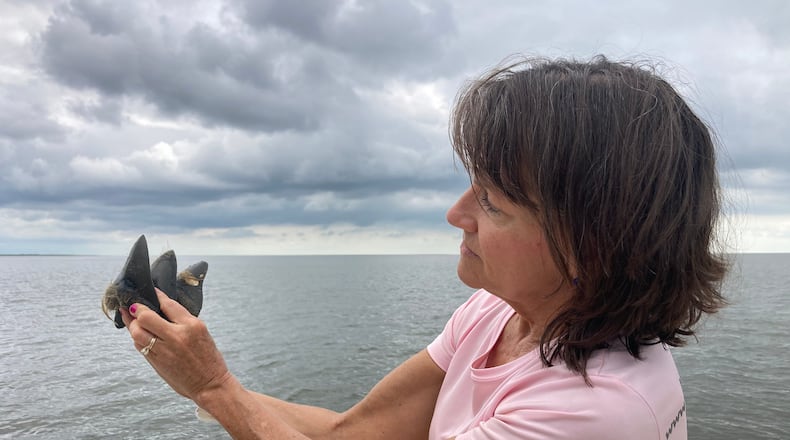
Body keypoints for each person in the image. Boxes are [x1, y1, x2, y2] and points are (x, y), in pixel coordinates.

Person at [121, 55, 728, 439]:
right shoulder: (500, 312)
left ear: (590, 246)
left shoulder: (594, 410)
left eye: (492, 203)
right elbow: (349, 433)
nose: (455, 214)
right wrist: (201, 376)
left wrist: (216, 391)